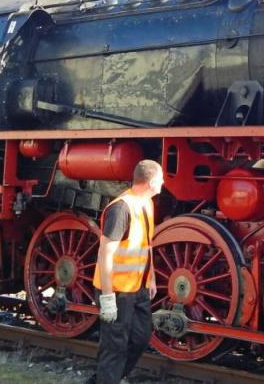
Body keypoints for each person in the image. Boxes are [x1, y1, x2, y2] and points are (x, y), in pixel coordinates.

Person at [88, 159, 163, 384]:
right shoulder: (121, 208)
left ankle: (103, 379)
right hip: (117, 290)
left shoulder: (146, 204)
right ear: (150, 182)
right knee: (115, 345)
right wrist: (108, 297)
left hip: (137, 286)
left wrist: (151, 278)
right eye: (160, 179)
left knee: (140, 338)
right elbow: (105, 253)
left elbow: (146, 246)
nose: (163, 183)